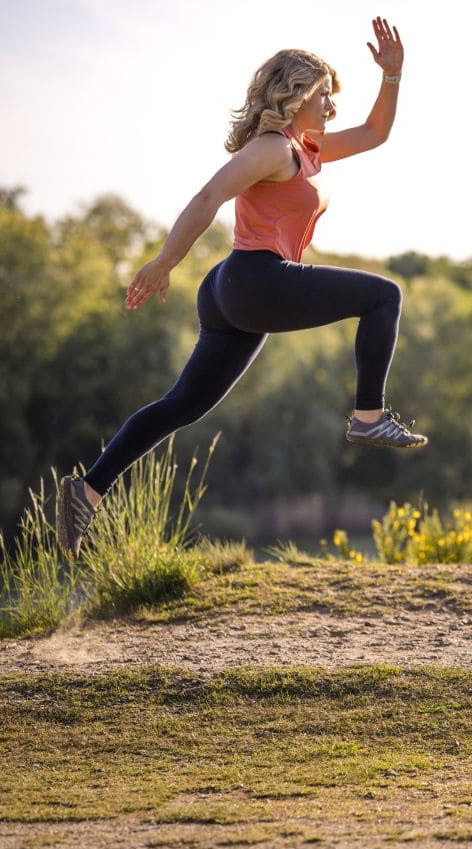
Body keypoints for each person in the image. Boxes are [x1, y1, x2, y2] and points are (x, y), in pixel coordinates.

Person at [57, 16, 428, 560]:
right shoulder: (272, 149)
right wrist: (164, 261)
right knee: (384, 295)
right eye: (325, 95)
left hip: (237, 293)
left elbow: (375, 134)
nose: (331, 107)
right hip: (255, 279)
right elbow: (209, 198)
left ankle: (85, 493)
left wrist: (392, 77)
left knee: (183, 404)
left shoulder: (305, 149)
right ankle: (368, 418)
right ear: (296, 93)